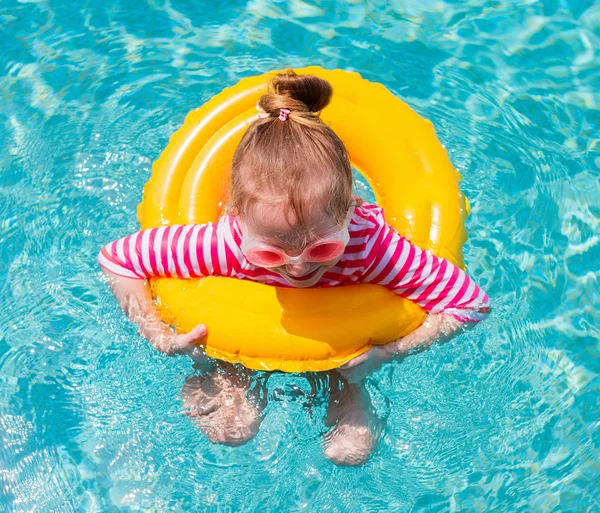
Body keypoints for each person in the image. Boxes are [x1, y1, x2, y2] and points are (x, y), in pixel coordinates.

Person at [98, 70, 490, 466]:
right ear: (236, 217)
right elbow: (118, 260)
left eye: (322, 249)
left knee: (350, 451)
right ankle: (225, 370)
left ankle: (347, 385)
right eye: (271, 253)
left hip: (342, 356)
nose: (299, 265)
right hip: (239, 345)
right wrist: (158, 335)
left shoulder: (372, 247)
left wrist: (388, 354)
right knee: (229, 431)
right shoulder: (222, 244)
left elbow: (469, 305)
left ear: (352, 209)